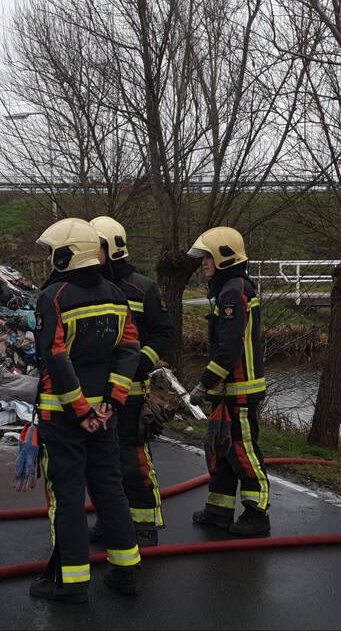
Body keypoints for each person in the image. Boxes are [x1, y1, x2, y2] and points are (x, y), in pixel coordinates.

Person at [25, 218, 143, 603]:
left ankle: (71, 581)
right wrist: (111, 402)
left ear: (66, 255)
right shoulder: (116, 294)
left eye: (52, 251)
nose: (49, 258)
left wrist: (80, 411)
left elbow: (56, 358)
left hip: (64, 416)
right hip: (105, 415)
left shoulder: (54, 297)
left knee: (68, 496)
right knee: (110, 488)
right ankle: (126, 571)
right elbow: (129, 349)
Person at [89, 216, 176, 547]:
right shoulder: (89, 287)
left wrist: (142, 361)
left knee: (132, 458)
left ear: (110, 249)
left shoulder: (143, 288)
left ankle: (144, 524)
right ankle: (111, 520)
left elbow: (164, 332)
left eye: (94, 247)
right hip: (99, 391)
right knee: (101, 462)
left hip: (132, 391)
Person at [187, 226, 270, 536]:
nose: (203, 263)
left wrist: (204, 383)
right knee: (220, 449)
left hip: (239, 389)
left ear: (224, 257)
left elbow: (229, 347)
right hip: (228, 389)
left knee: (242, 449)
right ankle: (219, 509)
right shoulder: (230, 288)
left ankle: (257, 513)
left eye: (207, 257)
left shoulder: (234, 291)